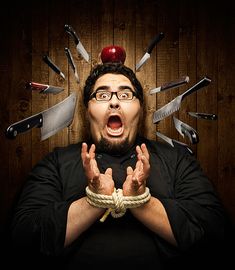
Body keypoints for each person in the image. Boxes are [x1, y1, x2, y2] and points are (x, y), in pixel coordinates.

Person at [10, 62, 228, 269]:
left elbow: (216, 232)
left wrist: (142, 202)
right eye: (102, 95)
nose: (114, 102)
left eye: (125, 94)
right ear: (87, 111)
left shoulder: (177, 161)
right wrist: (93, 201)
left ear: (140, 110)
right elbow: (22, 237)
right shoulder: (56, 163)